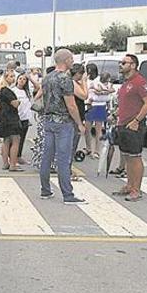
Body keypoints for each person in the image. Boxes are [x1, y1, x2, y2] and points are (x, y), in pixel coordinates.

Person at [39, 49, 86, 204]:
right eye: (71, 59)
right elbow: (71, 105)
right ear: (65, 60)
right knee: (63, 159)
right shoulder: (65, 79)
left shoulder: (47, 78)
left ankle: (45, 190)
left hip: (48, 120)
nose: (73, 61)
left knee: (47, 156)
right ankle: (67, 194)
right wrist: (79, 123)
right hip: (63, 122)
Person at [112, 54, 147, 201]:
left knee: (135, 157)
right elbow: (126, 104)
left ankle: (137, 189)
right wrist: (114, 115)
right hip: (123, 124)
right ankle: (129, 186)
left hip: (134, 125)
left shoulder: (139, 82)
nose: (121, 65)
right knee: (127, 156)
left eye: (124, 63)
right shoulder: (126, 83)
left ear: (133, 65)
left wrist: (137, 120)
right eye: (121, 62)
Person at [0, 70, 23, 171]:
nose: (13, 78)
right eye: (11, 76)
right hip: (11, 118)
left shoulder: (2, 90)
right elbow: (14, 103)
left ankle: (5, 163)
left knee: (6, 140)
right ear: (6, 78)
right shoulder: (6, 90)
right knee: (15, 140)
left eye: (13, 76)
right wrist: (19, 101)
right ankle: (12, 164)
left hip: (4, 118)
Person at [85, 64, 114, 159]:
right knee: (87, 128)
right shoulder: (85, 79)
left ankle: (97, 151)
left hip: (99, 106)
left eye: (90, 70)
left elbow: (104, 90)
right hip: (89, 105)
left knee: (98, 129)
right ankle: (88, 148)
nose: (88, 72)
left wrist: (101, 91)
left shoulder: (98, 80)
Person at [70, 63, 89, 173]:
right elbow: (84, 95)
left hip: (78, 115)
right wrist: (85, 82)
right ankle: (67, 167)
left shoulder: (76, 82)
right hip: (74, 117)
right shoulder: (72, 83)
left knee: (74, 141)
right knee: (72, 142)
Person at [12, 73, 33, 165]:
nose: (21, 80)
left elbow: (38, 87)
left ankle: (19, 156)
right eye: (20, 78)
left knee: (22, 138)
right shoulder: (13, 90)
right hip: (16, 118)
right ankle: (12, 157)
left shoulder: (27, 92)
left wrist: (30, 78)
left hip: (25, 118)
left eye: (24, 79)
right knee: (14, 139)